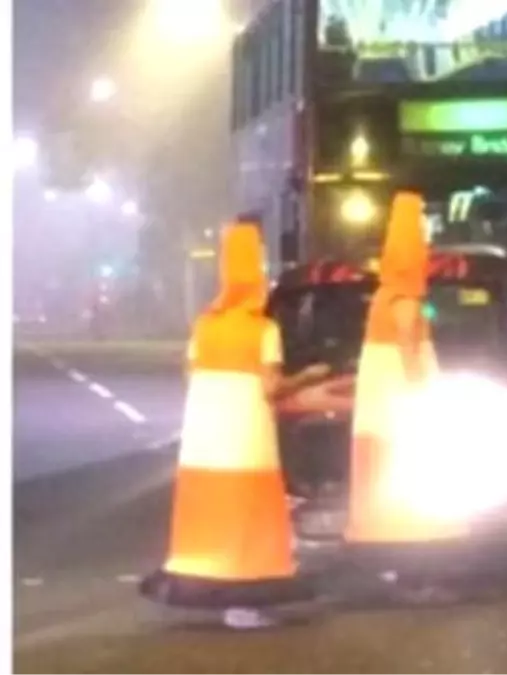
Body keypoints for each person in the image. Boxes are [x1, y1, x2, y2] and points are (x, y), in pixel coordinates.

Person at [139, 220, 329, 630]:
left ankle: (209, 588)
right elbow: (270, 387)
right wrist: (310, 377)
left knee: (208, 515)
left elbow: (190, 375)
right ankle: (244, 603)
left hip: (203, 442)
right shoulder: (262, 329)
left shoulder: (206, 325)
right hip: (246, 439)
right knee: (249, 513)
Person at [343, 192, 454, 550]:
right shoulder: (404, 294)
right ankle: (414, 562)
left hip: (384, 409)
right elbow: (407, 337)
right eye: (423, 235)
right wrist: (418, 386)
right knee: (410, 482)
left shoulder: (383, 294)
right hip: (402, 408)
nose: (429, 244)